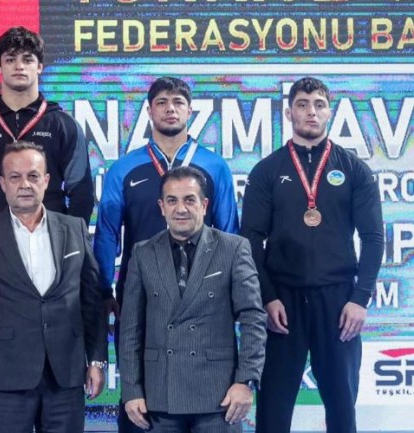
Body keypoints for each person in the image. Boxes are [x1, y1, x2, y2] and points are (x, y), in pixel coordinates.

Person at [94, 76, 239, 432]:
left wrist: (232, 290)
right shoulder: (124, 169)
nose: (170, 109)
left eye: (177, 102)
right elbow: (107, 232)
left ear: (190, 111)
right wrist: (103, 289)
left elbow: (229, 232)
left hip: (203, 295)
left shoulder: (215, 166)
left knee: (206, 381)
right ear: (149, 111)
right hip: (141, 294)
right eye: (161, 102)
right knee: (139, 388)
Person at [240, 77, 384, 433]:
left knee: (341, 407)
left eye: (319, 104)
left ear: (329, 111)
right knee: (273, 410)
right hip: (281, 305)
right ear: (289, 112)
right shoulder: (267, 171)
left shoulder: (354, 169)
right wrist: (267, 297)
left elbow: (373, 237)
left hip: (338, 303)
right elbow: (250, 240)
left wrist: (360, 299)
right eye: (302, 104)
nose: (311, 112)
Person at [0, 141, 107, 433]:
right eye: (15, 177)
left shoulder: (75, 229)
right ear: (2, 184)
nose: (25, 184)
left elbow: (92, 303)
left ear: (46, 181)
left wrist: (97, 360)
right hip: (5, 376)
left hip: (66, 377)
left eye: (33, 176)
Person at [119, 166, 266, 433]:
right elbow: (130, 328)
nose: (181, 209)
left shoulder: (234, 248)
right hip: (158, 397)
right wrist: (131, 389)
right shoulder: (143, 253)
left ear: (204, 205)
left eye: (189, 200)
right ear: (161, 207)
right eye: (172, 201)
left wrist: (245, 381)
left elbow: (253, 318)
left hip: (220, 397)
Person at [0, 26, 94, 261]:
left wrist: (71, 246)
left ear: (40, 66)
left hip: (50, 250)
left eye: (27, 59)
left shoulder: (63, 126)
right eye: (10, 59)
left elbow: (82, 193)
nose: (19, 66)